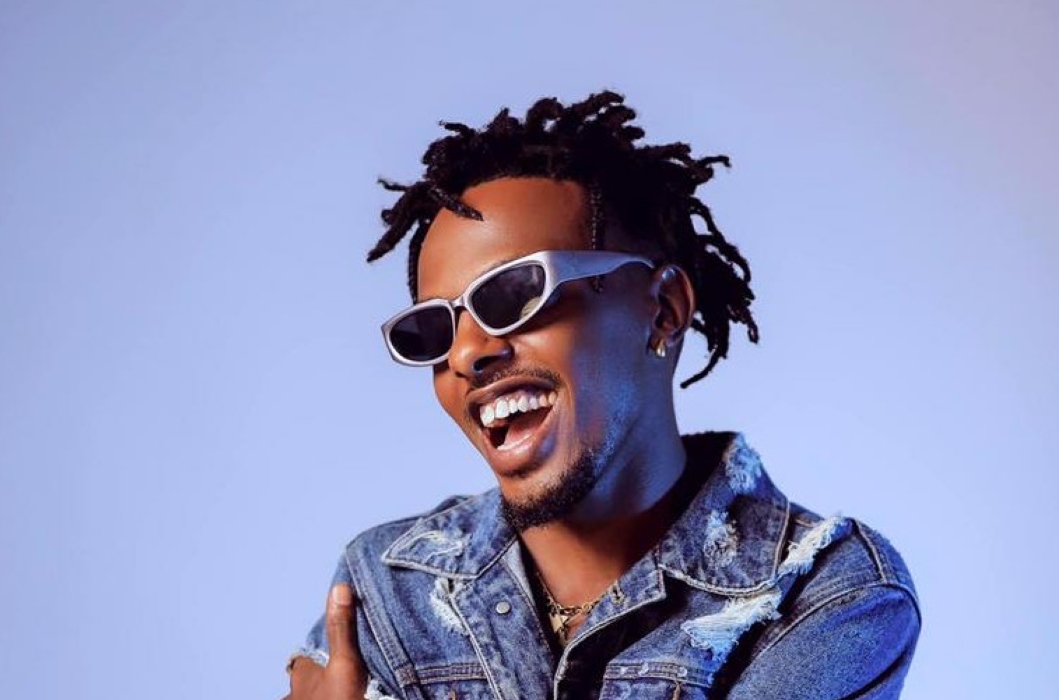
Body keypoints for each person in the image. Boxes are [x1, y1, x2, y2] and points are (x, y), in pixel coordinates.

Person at [283, 92, 920, 700]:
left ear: (663, 310)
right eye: (433, 329)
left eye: (514, 295)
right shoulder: (387, 589)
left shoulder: (825, 595)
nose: (466, 354)